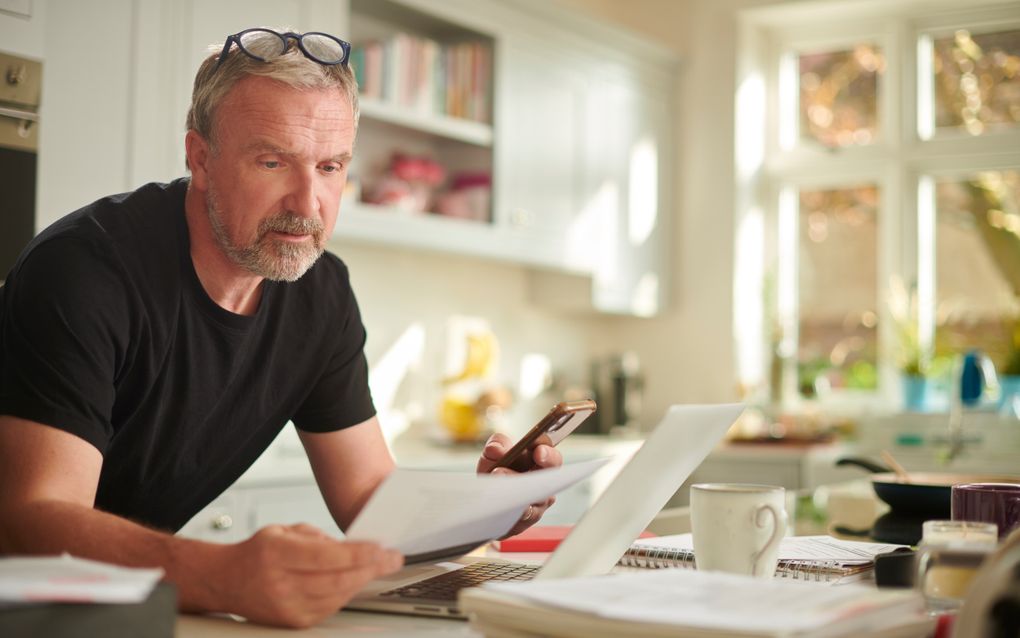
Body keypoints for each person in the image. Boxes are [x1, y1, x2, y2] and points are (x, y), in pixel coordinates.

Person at [0, 28, 561, 629]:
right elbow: (32, 519)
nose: (308, 201)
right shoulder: (86, 271)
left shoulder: (322, 294)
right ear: (200, 158)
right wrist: (222, 573)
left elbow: (371, 499)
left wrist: (489, 510)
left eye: (330, 166)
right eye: (273, 162)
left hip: (117, 608)